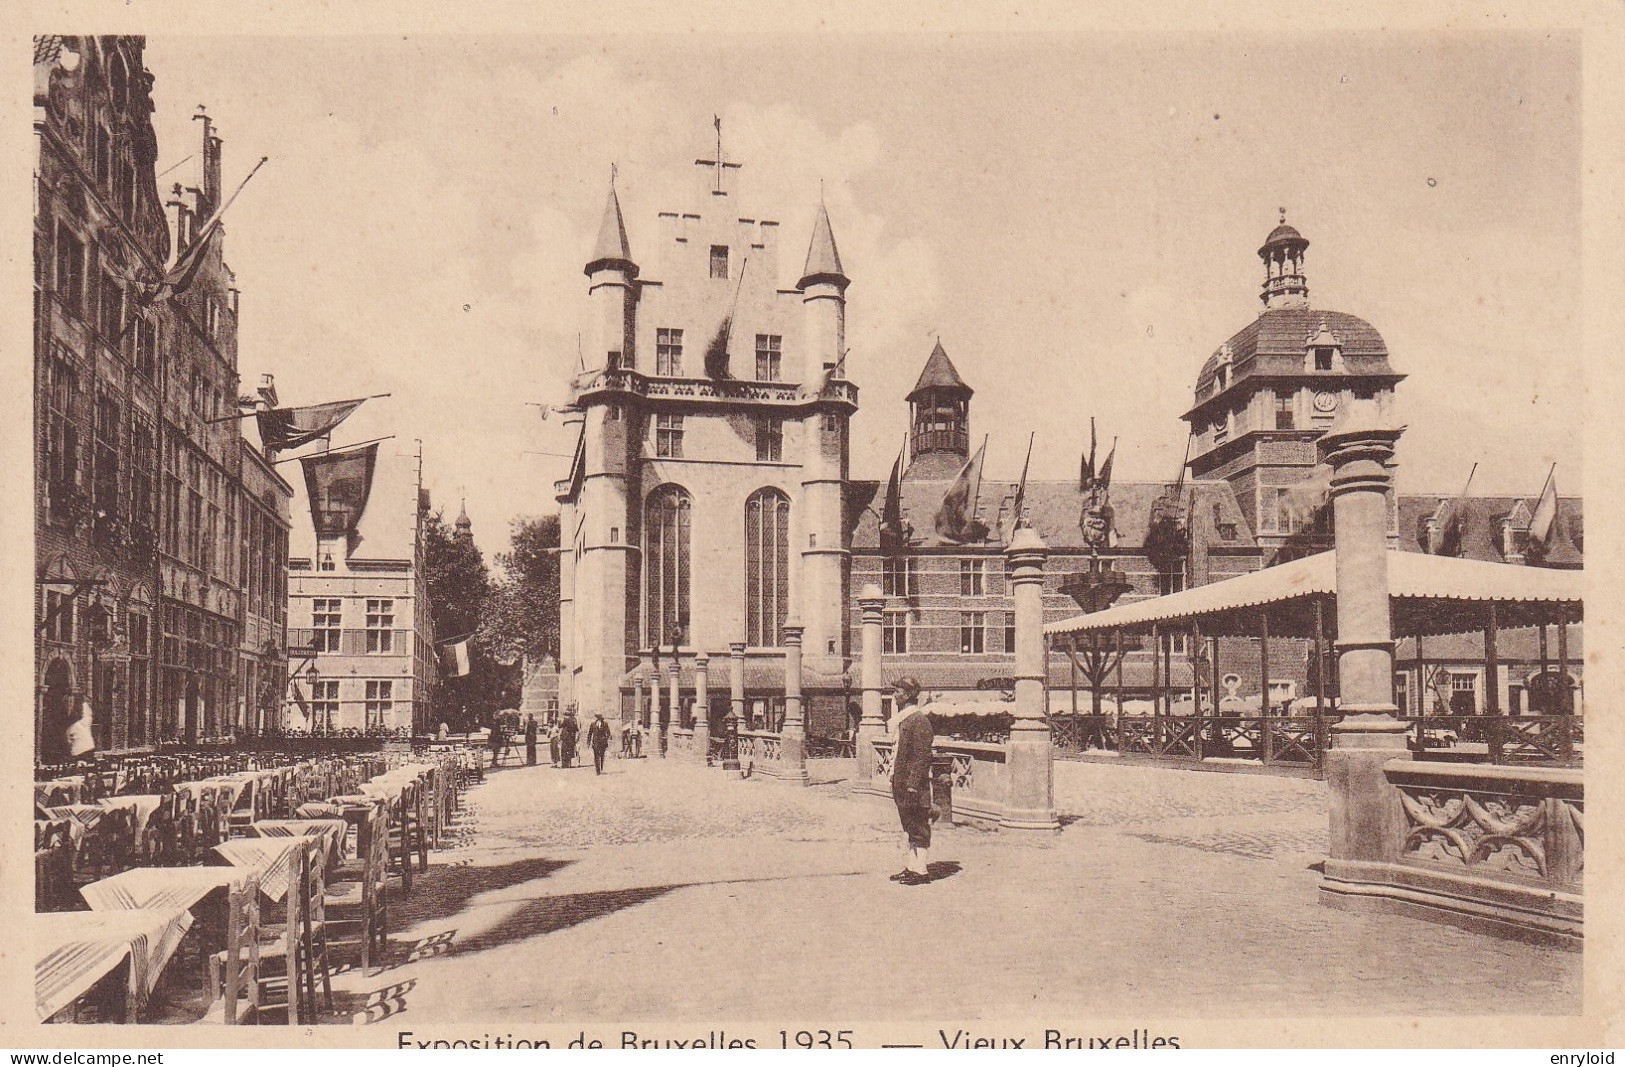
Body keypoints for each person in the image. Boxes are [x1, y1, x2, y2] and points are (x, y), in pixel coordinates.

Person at [888, 677, 935, 886]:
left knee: (919, 826)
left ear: (908, 695)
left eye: (897, 691)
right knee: (909, 824)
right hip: (901, 782)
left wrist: (913, 785)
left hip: (912, 785)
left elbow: (922, 756)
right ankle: (912, 867)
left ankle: (921, 871)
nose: (894, 695)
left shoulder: (919, 720)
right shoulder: (905, 720)